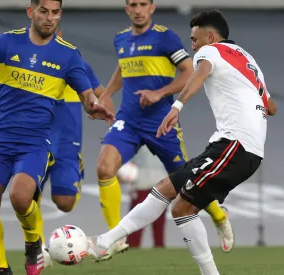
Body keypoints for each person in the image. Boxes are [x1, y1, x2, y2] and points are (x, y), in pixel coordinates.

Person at [88, 10, 277, 275]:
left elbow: (200, 73)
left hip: (235, 146)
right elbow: (271, 107)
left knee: (181, 207)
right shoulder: (247, 60)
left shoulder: (210, 52)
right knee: (169, 192)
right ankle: (106, 241)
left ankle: (106, 242)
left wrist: (177, 105)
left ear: (210, 36)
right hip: (232, 146)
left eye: (195, 39)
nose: (193, 45)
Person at [0, 1, 114, 275]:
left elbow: (86, 95)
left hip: (33, 142)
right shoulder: (6, 42)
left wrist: (94, 106)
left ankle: (33, 242)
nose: (49, 18)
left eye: (55, 13)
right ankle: (1, 268)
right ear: (31, 12)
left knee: (21, 198)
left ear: (60, 15)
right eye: (43, 11)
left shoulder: (68, 55)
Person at [95, 0, 233, 256]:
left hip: (161, 123)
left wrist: (160, 93)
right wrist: (108, 93)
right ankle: (115, 237)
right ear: (127, 9)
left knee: (187, 182)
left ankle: (218, 215)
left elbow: (189, 71)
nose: (138, 9)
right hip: (129, 120)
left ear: (152, 8)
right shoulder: (121, 40)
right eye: (133, 5)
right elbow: (123, 68)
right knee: (104, 168)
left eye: (143, 4)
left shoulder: (164, 38)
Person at [117, 146, 168, 248]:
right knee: (147, 222)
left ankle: (135, 248)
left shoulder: (134, 133)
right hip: (154, 182)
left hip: (145, 182)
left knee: (139, 221)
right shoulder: (168, 132)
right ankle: (156, 249)